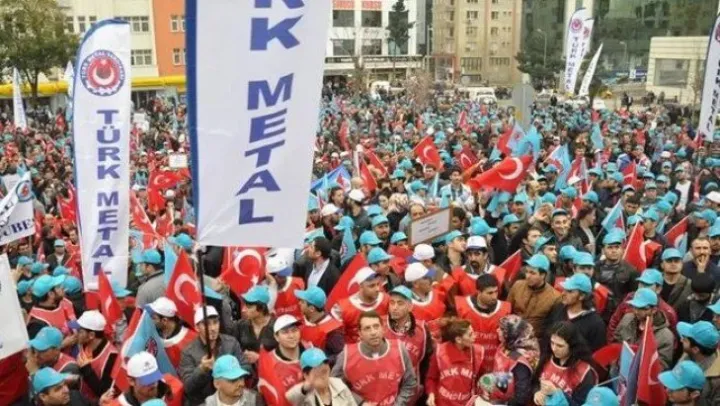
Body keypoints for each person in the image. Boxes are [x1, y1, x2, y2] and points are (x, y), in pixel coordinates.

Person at [331, 311, 417, 405]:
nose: (373, 332)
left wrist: (398, 404)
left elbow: (410, 383)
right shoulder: (346, 355)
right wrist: (359, 402)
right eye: (367, 328)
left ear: (383, 329)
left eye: (376, 326)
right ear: (360, 333)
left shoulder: (399, 349)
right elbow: (333, 385)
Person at [180, 306, 251, 406]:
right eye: (206, 324)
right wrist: (202, 369)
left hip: (232, 400)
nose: (213, 328)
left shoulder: (231, 343)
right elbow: (188, 388)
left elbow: (247, 368)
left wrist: (229, 371)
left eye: (215, 322)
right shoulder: (188, 352)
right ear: (197, 327)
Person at [478, 315, 539, 406]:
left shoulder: (520, 362)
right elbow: (502, 375)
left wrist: (499, 404)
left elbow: (521, 398)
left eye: (501, 329)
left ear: (511, 334)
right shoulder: (504, 346)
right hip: (497, 398)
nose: (497, 330)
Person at [455, 273, 511, 372]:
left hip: (495, 366)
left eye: (496, 292)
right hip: (469, 363)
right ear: (479, 292)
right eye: (490, 293)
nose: (494, 296)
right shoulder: (462, 308)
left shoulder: (505, 309)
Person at [534, 322, 598, 406]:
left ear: (572, 345)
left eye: (560, 346)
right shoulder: (547, 357)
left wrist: (556, 393)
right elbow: (534, 382)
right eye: (552, 343)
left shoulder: (584, 373)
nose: (554, 349)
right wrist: (536, 392)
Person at [384, 286, 432, 396]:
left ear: (410, 307)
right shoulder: (380, 326)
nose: (394, 308)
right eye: (392, 303)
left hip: (411, 390)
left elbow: (427, 361)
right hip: (385, 388)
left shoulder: (422, 330)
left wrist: (423, 386)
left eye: (400, 303)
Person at [425, 318, 485, 406]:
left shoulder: (478, 353)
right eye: (470, 334)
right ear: (458, 339)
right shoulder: (439, 353)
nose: (474, 336)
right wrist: (431, 394)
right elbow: (431, 378)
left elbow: (481, 380)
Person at [606, 268, 677, 342]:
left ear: (658, 289)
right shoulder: (630, 298)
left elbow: (672, 340)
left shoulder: (668, 311)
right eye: (641, 283)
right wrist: (612, 344)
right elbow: (614, 322)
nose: (642, 287)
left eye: (647, 285)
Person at [613, 288, 675, 369]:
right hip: (620, 370)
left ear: (654, 310)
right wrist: (616, 361)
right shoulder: (627, 318)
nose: (636, 311)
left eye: (641, 308)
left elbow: (661, 366)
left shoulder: (665, 336)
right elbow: (616, 340)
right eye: (634, 307)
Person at [545, 273, 607, 352]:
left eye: (569, 291)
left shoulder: (596, 324)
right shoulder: (559, 308)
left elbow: (597, 354)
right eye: (564, 289)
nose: (563, 293)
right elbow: (547, 336)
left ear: (582, 296)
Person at [507, 254, 561, 338]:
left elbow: (551, 326)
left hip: (535, 340)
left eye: (532, 273)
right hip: (511, 335)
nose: (527, 276)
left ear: (543, 275)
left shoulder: (555, 297)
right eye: (527, 271)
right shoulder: (517, 285)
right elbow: (507, 311)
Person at [331, 267, 389, 343]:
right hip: (355, 348)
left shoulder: (386, 300)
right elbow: (337, 340)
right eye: (371, 286)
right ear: (361, 286)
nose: (377, 289)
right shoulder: (342, 308)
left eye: (378, 284)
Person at [70, 310, 118, 400]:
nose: (76, 334)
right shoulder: (82, 344)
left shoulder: (112, 357)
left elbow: (105, 392)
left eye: (80, 331)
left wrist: (86, 369)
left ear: (91, 335)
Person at [257, 315, 304, 403]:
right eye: (285, 332)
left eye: (294, 330)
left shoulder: (311, 350)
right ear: (276, 337)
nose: (291, 336)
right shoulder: (269, 363)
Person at [287, 348, 356, 406]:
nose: (322, 367)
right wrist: (305, 388)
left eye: (325, 363)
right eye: (317, 367)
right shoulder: (304, 396)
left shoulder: (339, 385)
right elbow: (291, 397)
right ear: (306, 375)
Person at [111, 351, 184, 406]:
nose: (153, 383)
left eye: (154, 376)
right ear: (131, 381)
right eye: (146, 379)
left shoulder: (176, 387)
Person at [294, 286, 344, 363]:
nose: (299, 303)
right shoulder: (301, 321)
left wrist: (321, 361)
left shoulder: (333, 331)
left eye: (302, 302)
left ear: (311, 309)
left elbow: (341, 356)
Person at [146, 297, 197, 370]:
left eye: (154, 318)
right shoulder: (152, 333)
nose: (151, 320)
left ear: (164, 321)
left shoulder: (192, 339)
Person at [676, 321, 720, 406]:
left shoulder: (716, 380)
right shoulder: (687, 354)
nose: (681, 340)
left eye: (685, 340)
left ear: (695, 349)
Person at [234, 285, 277, 363]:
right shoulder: (240, 325)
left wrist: (260, 358)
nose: (243, 310)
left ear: (261, 308)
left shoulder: (276, 326)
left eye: (249, 307)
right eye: (244, 306)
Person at [27, 274, 72, 339]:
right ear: (51, 294)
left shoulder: (62, 302)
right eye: (58, 287)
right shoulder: (36, 323)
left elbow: (72, 318)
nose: (62, 287)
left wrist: (76, 332)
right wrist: (63, 344)